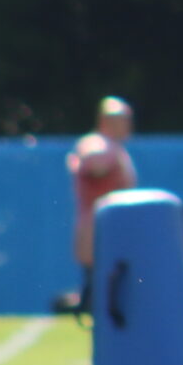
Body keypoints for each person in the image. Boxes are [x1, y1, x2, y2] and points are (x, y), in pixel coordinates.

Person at [63, 97, 139, 311]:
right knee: (103, 299)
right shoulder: (99, 143)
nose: (127, 124)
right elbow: (94, 158)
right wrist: (99, 164)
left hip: (108, 233)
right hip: (98, 232)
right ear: (106, 121)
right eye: (121, 119)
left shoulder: (116, 148)